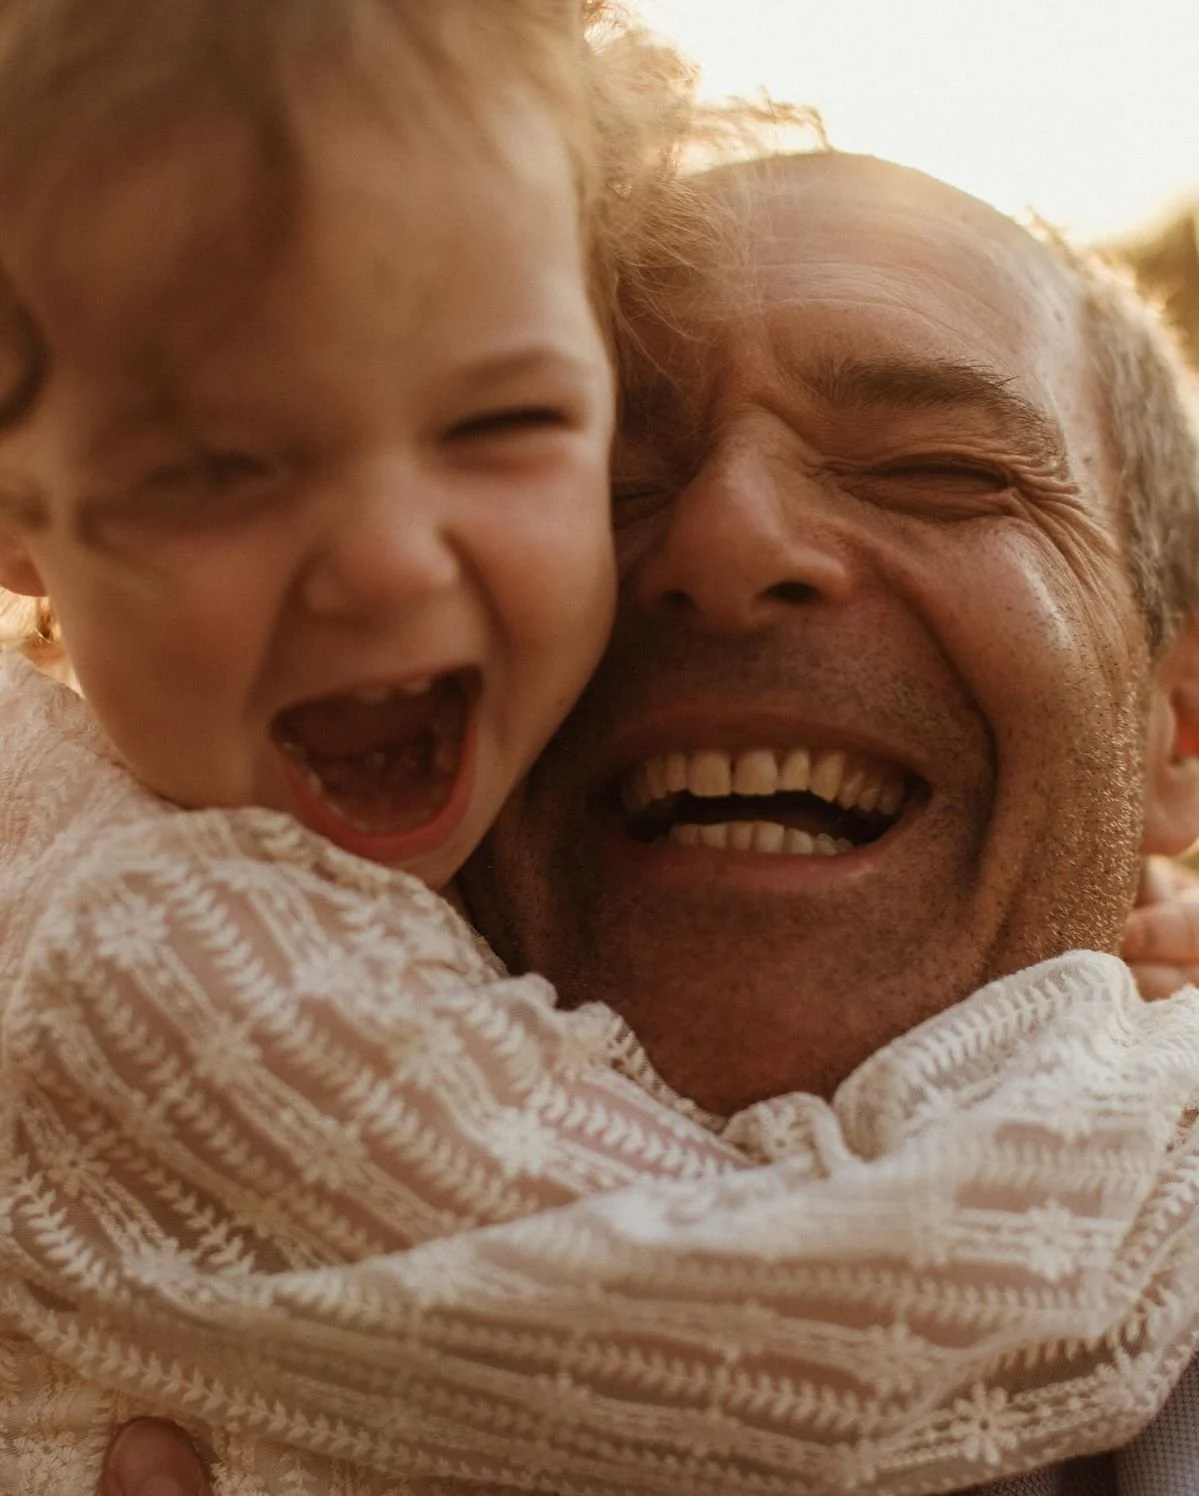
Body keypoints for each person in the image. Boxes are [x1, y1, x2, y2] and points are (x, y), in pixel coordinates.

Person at [3, 8, 1199, 1491]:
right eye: (627, 476)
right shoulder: (145, 936)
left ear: (1176, 722)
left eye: (933, 472)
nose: (726, 537)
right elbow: (830, 1331)